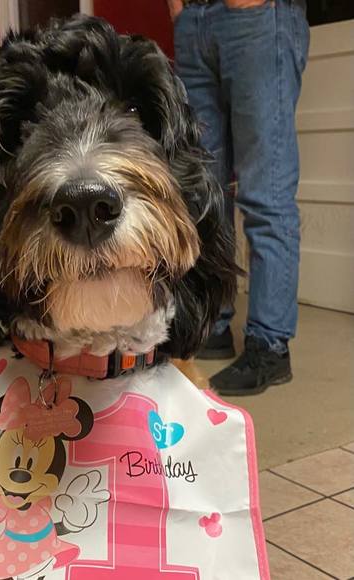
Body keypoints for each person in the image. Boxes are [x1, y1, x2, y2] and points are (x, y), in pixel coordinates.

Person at [168, 0, 309, 395]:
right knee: (202, 193)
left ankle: (270, 345)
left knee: (266, 192)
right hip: (193, 21)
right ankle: (212, 324)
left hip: (257, 17)